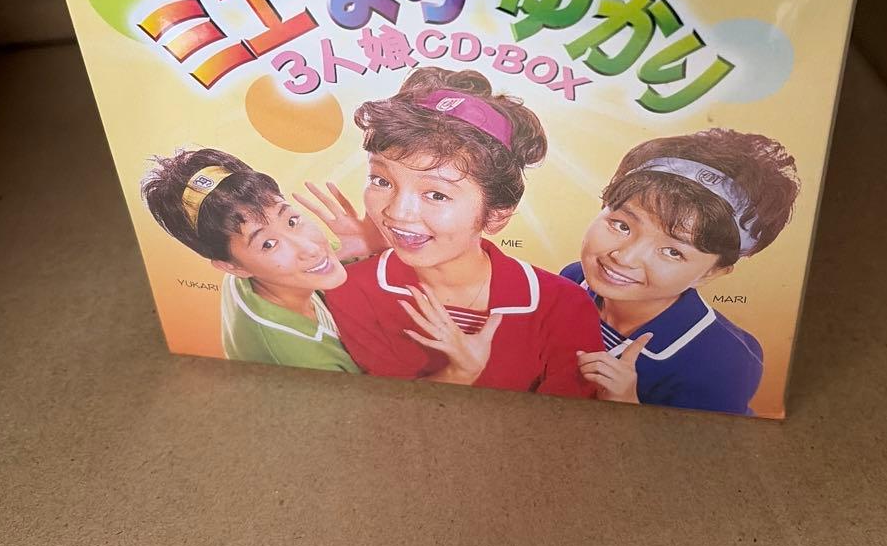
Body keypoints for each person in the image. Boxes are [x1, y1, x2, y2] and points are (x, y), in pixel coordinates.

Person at [310, 67, 603, 398]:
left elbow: (570, 422)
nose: (397, 212)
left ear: (496, 214)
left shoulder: (562, 306)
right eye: (381, 180)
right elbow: (376, 411)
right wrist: (459, 372)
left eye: (436, 194)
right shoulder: (352, 289)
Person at [565, 129, 800, 415]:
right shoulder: (574, 280)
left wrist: (626, 403)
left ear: (710, 273)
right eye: (622, 225)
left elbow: (708, 442)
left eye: (673, 252)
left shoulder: (723, 361)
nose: (624, 258)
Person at [141, 147, 363, 373]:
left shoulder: (249, 269)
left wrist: (366, 245)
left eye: (291, 221)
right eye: (268, 244)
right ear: (232, 267)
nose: (310, 248)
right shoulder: (304, 358)